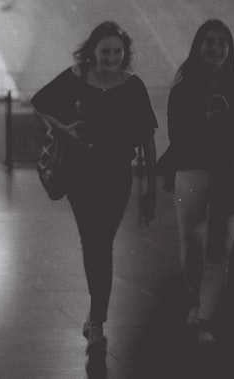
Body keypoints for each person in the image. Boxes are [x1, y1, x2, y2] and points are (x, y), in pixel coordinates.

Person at [31, 21, 157, 356]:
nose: (111, 57)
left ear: (124, 53)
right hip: (81, 173)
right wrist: (66, 129)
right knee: (95, 242)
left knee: (102, 242)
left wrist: (152, 186)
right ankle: (98, 321)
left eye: (117, 52)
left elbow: (147, 136)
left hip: (117, 172)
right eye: (105, 51)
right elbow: (40, 102)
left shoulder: (133, 85)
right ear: (93, 52)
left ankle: (96, 316)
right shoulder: (76, 77)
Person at [161, 19, 234, 343]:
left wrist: (230, 129)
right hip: (192, 171)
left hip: (231, 175)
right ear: (198, 46)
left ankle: (206, 318)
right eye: (209, 41)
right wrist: (205, 122)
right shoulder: (182, 91)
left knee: (219, 250)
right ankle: (197, 298)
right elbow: (178, 138)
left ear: (229, 48)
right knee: (192, 244)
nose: (216, 47)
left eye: (222, 42)